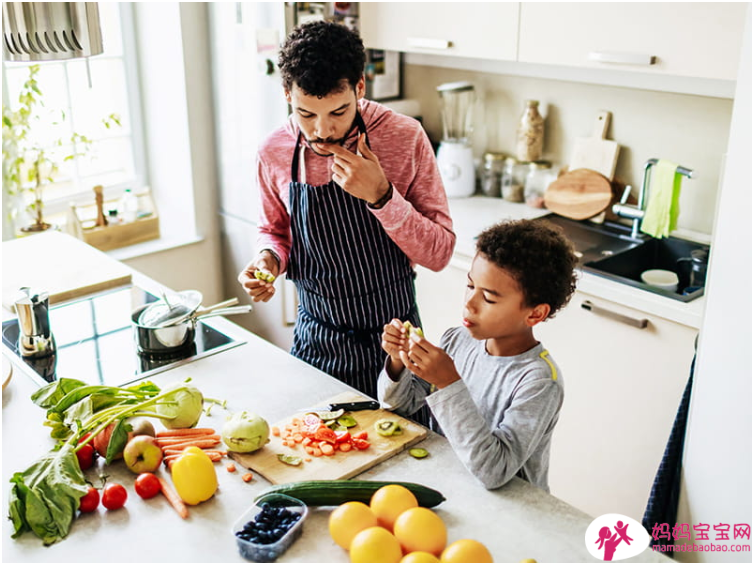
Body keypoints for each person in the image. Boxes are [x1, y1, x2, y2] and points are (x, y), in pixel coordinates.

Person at [238, 21, 455, 404]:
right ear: (287, 93)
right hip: (316, 342)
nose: (322, 131)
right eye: (306, 114)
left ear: (359, 87)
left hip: (396, 347)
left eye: (338, 112)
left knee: (408, 456)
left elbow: (439, 254)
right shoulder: (273, 151)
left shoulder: (404, 138)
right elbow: (274, 232)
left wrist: (382, 196)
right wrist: (267, 261)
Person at [378, 219, 578, 491]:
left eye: (489, 298)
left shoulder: (539, 382)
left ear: (535, 313)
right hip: (452, 488)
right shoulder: (457, 341)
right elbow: (399, 408)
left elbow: (494, 471)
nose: (469, 304)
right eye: (471, 286)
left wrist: (449, 383)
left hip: (514, 511)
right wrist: (398, 362)